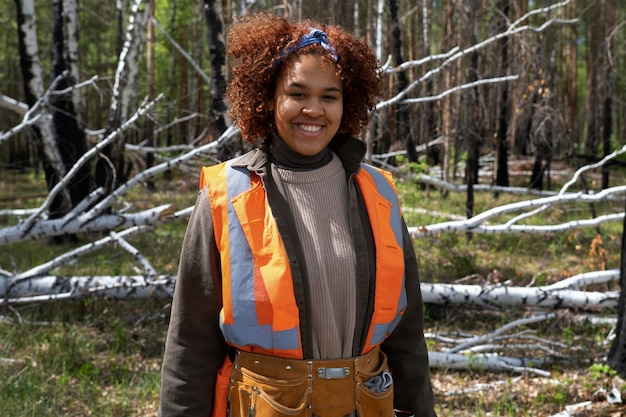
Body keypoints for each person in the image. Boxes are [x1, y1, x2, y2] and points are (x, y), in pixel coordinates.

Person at [158, 12, 437, 417]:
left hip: (368, 404)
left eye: (330, 96)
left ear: (347, 103)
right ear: (269, 98)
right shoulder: (225, 196)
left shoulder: (379, 194)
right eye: (298, 93)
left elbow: (408, 339)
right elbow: (191, 343)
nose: (314, 110)